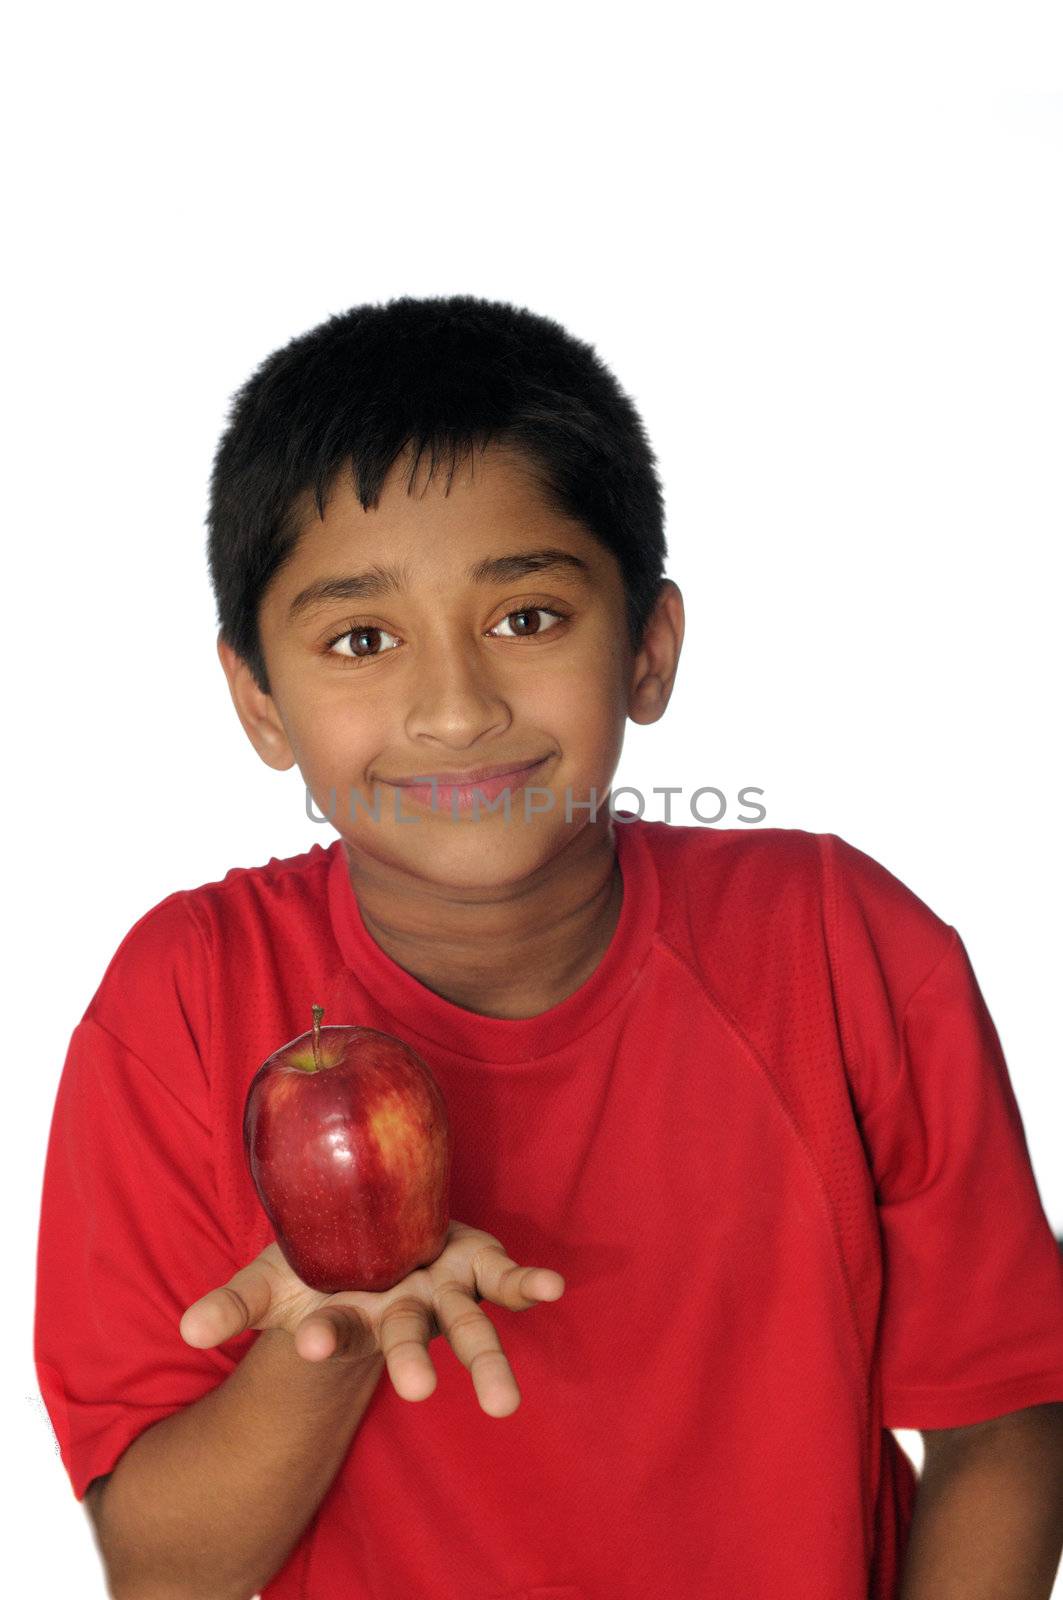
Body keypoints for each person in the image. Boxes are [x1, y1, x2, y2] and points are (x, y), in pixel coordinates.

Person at [34, 295, 1063, 1600]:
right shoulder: (185, 996)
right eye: (362, 639)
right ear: (258, 701)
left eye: (526, 618)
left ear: (648, 647)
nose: (456, 710)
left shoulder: (841, 946)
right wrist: (328, 1343)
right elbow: (160, 1573)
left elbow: (1005, 1420)